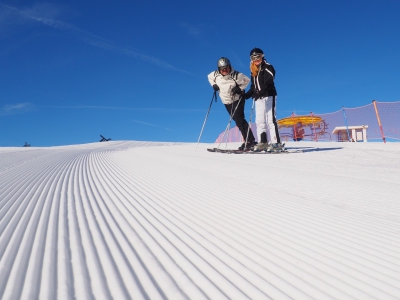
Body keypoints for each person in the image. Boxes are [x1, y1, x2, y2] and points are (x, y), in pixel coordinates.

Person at [208, 57, 256, 150]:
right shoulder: (215, 75)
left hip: (237, 99)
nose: (225, 70)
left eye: (227, 68)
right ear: (219, 69)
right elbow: (209, 77)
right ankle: (249, 140)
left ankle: (250, 141)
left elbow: (247, 80)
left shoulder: (237, 75)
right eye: (222, 69)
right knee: (238, 121)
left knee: (240, 120)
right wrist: (214, 85)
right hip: (226, 102)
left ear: (230, 66)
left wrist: (239, 88)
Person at [244, 48, 283, 151]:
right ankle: (263, 142)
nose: (257, 59)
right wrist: (246, 95)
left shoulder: (268, 67)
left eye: (258, 57)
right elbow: (253, 87)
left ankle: (276, 143)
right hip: (259, 98)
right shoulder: (253, 71)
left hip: (269, 96)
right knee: (259, 120)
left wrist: (260, 92)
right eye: (254, 57)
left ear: (262, 56)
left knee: (271, 119)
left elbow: (269, 83)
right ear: (251, 59)